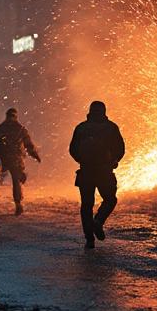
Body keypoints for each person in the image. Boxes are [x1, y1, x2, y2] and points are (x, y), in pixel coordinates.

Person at [69, 100, 125, 249]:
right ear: (104, 111)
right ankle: (98, 220)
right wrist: (114, 161)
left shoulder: (81, 128)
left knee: (86, 205)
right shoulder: (111, 128)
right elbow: (120, 148)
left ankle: (89, 240)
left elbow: (72, 149)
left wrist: (82, 161)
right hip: (104, 171)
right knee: (110, 199)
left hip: (85, 172)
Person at [0, 108, 41, 216]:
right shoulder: (20, 129)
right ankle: (18, 203)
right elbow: (28, 145)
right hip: (15, 159)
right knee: (16, 181)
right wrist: (35, 155)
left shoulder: (1, 128)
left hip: (4, 159)